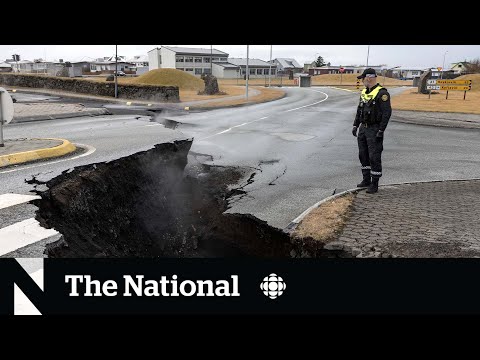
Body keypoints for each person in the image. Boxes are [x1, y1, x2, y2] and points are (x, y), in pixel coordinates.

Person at [352, 68, 392, 194]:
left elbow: (387, 113)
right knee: (363, 155)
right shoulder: (364, 92)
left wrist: (381, 130)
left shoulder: (382, 94)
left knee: (374, 156)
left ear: (369, 78)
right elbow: (360, 110)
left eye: (363, 78)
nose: (362, 81)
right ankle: (366, 179)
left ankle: (374, 183)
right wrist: (355, 125)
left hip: (374, 129)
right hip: (363, 128)